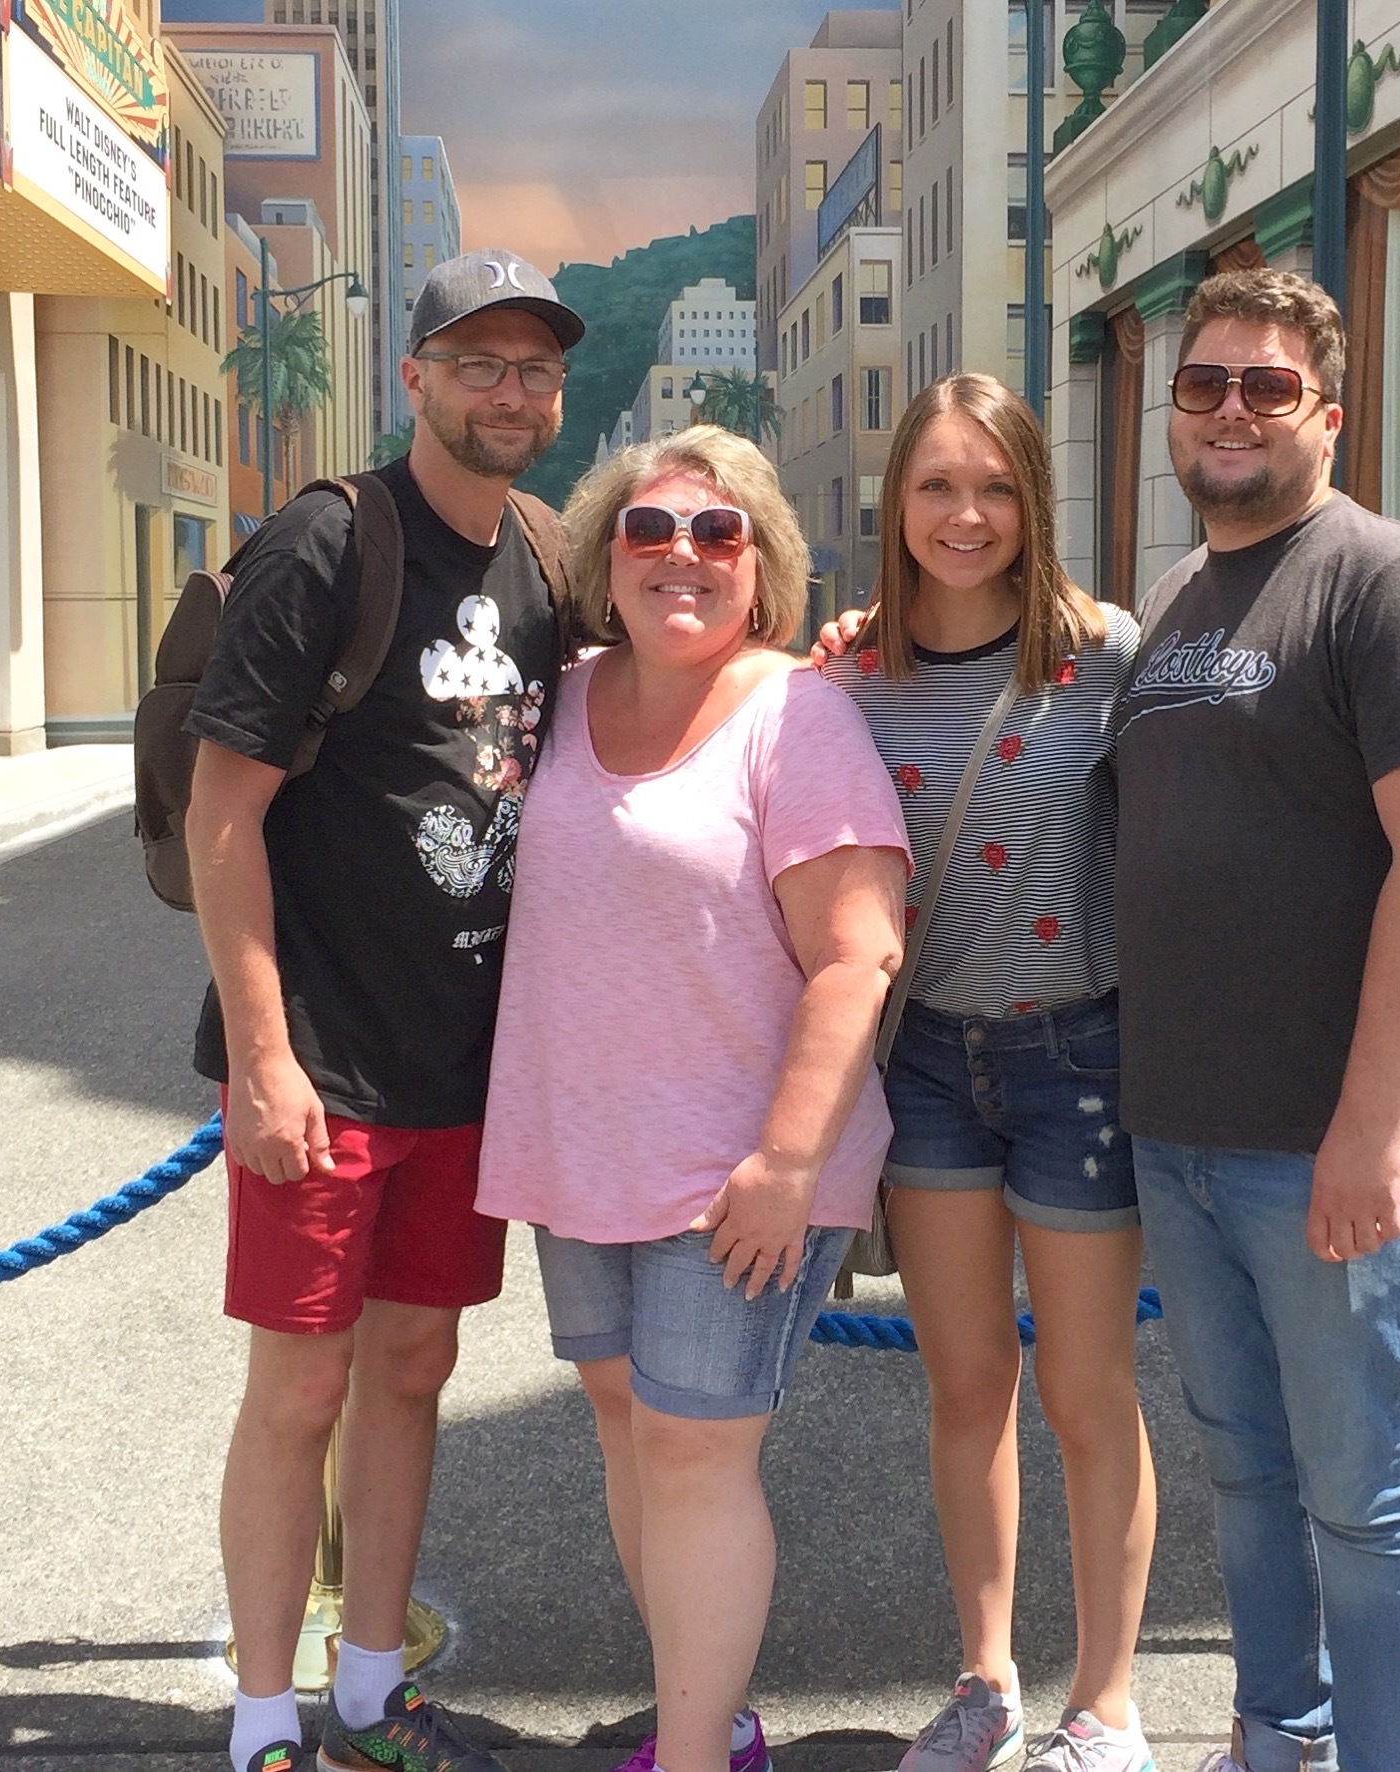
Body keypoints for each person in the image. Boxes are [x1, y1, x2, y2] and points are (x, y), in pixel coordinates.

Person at [183, 248, 583, 1772]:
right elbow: (227, 814)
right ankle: (265, 1720)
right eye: (476, 361)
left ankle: (367, 1694)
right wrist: (266, 1057)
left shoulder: (543, 560)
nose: (507, 390)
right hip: (327, 1068)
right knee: (301, 1384)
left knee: (416, 1370)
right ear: (413, 375)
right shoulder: (330, 542)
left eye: (532, 367)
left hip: (463, 1071)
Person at [474, 426, 910, 1772]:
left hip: (740, 1170)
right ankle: (699, 1711)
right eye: (650, 530)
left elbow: (861, 950)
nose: (683, 557)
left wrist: (787, 1165)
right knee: (630, 1428)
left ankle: (697, 1753)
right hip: (580, 1152)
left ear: (763, 568)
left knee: (696, 1452)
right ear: (606, 559)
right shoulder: (557, 696)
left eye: (718, 536)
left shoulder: (797, 713)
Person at [1115, 269, 1400, 1772]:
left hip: (1332, 1146)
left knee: (1364, 1491)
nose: (1228, 409)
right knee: (1249, 1476)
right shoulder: (1171, 602)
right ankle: (1280, 1737)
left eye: (1266, 387)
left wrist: (1368, 1128)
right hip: (1185, 1133)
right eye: (1203, 383)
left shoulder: (1389, 581)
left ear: (1327, 415)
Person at [819, 374, 1157, 1772]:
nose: (967, 516)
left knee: (1087, 1394)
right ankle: (986, 1679)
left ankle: (1111, 1700)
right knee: (967, 1386)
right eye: (939, 485)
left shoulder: (1105, 654)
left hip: (1079, 1052)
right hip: (931, 1068)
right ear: (896, 499)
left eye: (997, 487)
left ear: (1037, 502)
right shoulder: (846, 675)